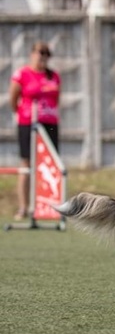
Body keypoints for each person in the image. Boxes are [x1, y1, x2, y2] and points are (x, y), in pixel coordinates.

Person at [8, 41, 61, 221]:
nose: (43, 56)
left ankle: (48, 205)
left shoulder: (53, 76)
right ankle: (24, 207)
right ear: (32, 54)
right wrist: (22, 113)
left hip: (50, 123)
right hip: (28, 123)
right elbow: (13, 98)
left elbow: (57, 98)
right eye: (40, 52)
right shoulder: (22, 74)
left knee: (51, 164)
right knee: (26, 164)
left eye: (46, 53)